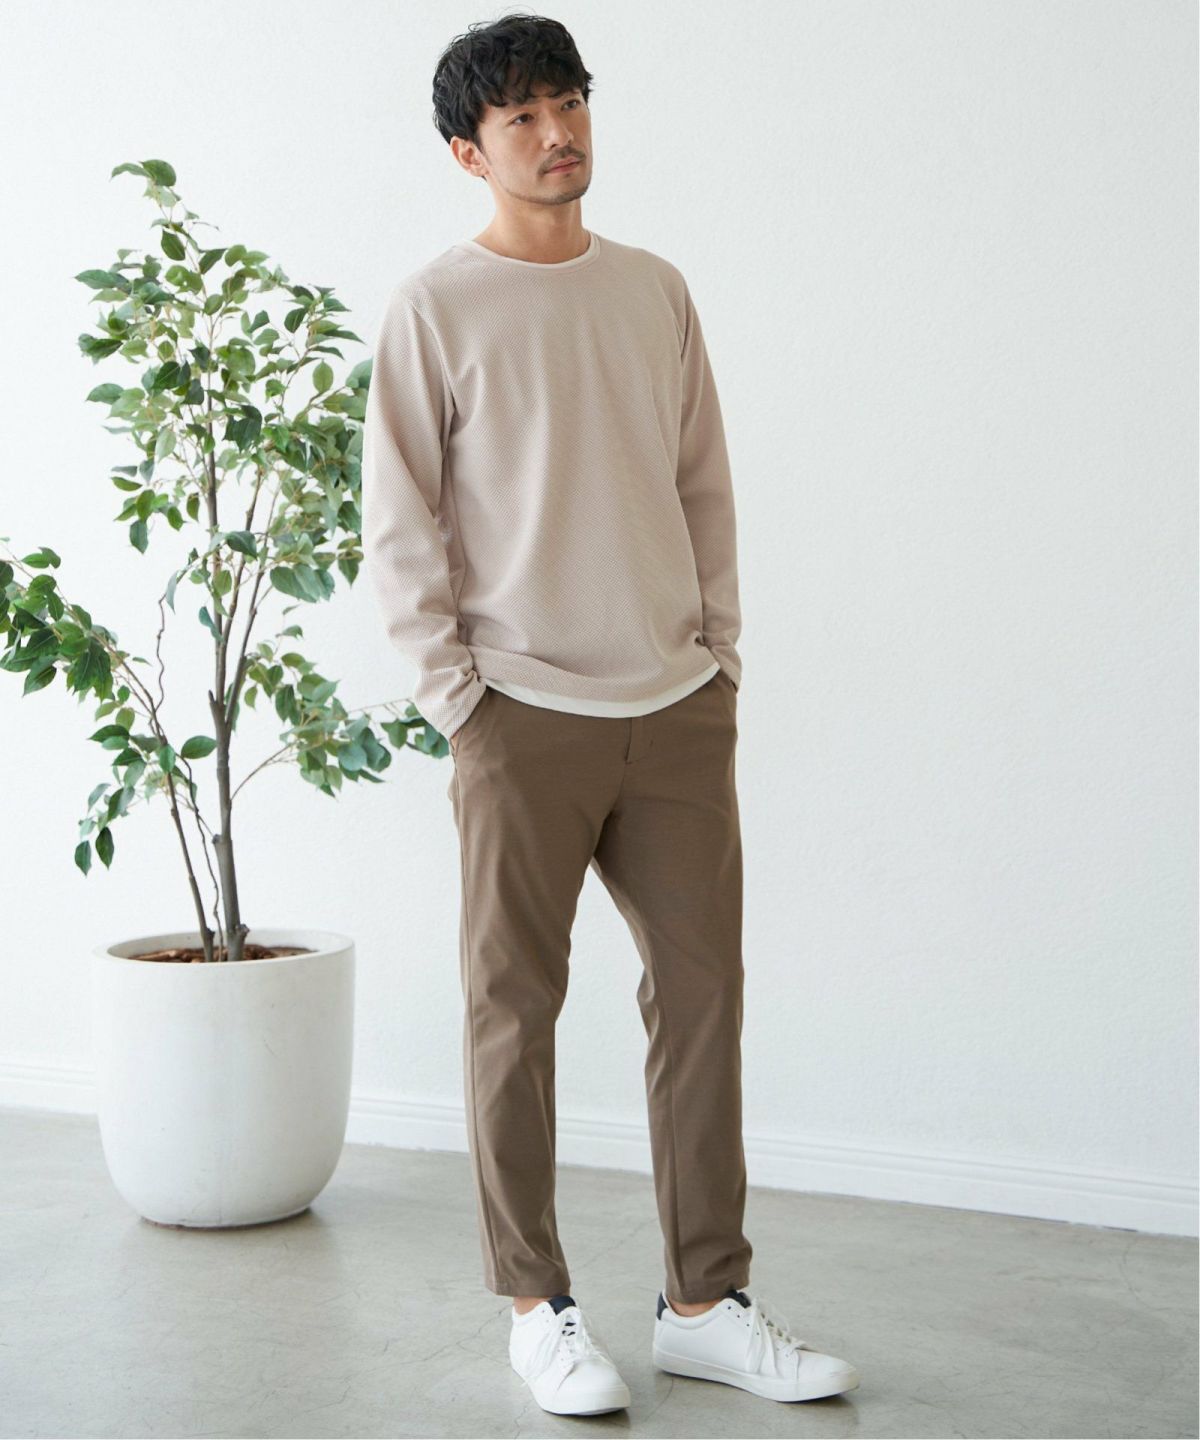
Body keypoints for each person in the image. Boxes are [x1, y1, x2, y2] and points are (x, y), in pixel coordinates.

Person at [361, 11, 860, 1418]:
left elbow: (703, 482)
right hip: (518, 711)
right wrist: (460, 699)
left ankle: (706, 1304)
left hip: (677, 703)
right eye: (519, 116)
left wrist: (719, 655)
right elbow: (399, 523)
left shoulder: (653, 289)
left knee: (704, 1000)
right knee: (512, 1012)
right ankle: (538, 1309)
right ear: (468, 151)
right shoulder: (433, 307)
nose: (556, 132)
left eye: (568, 101)